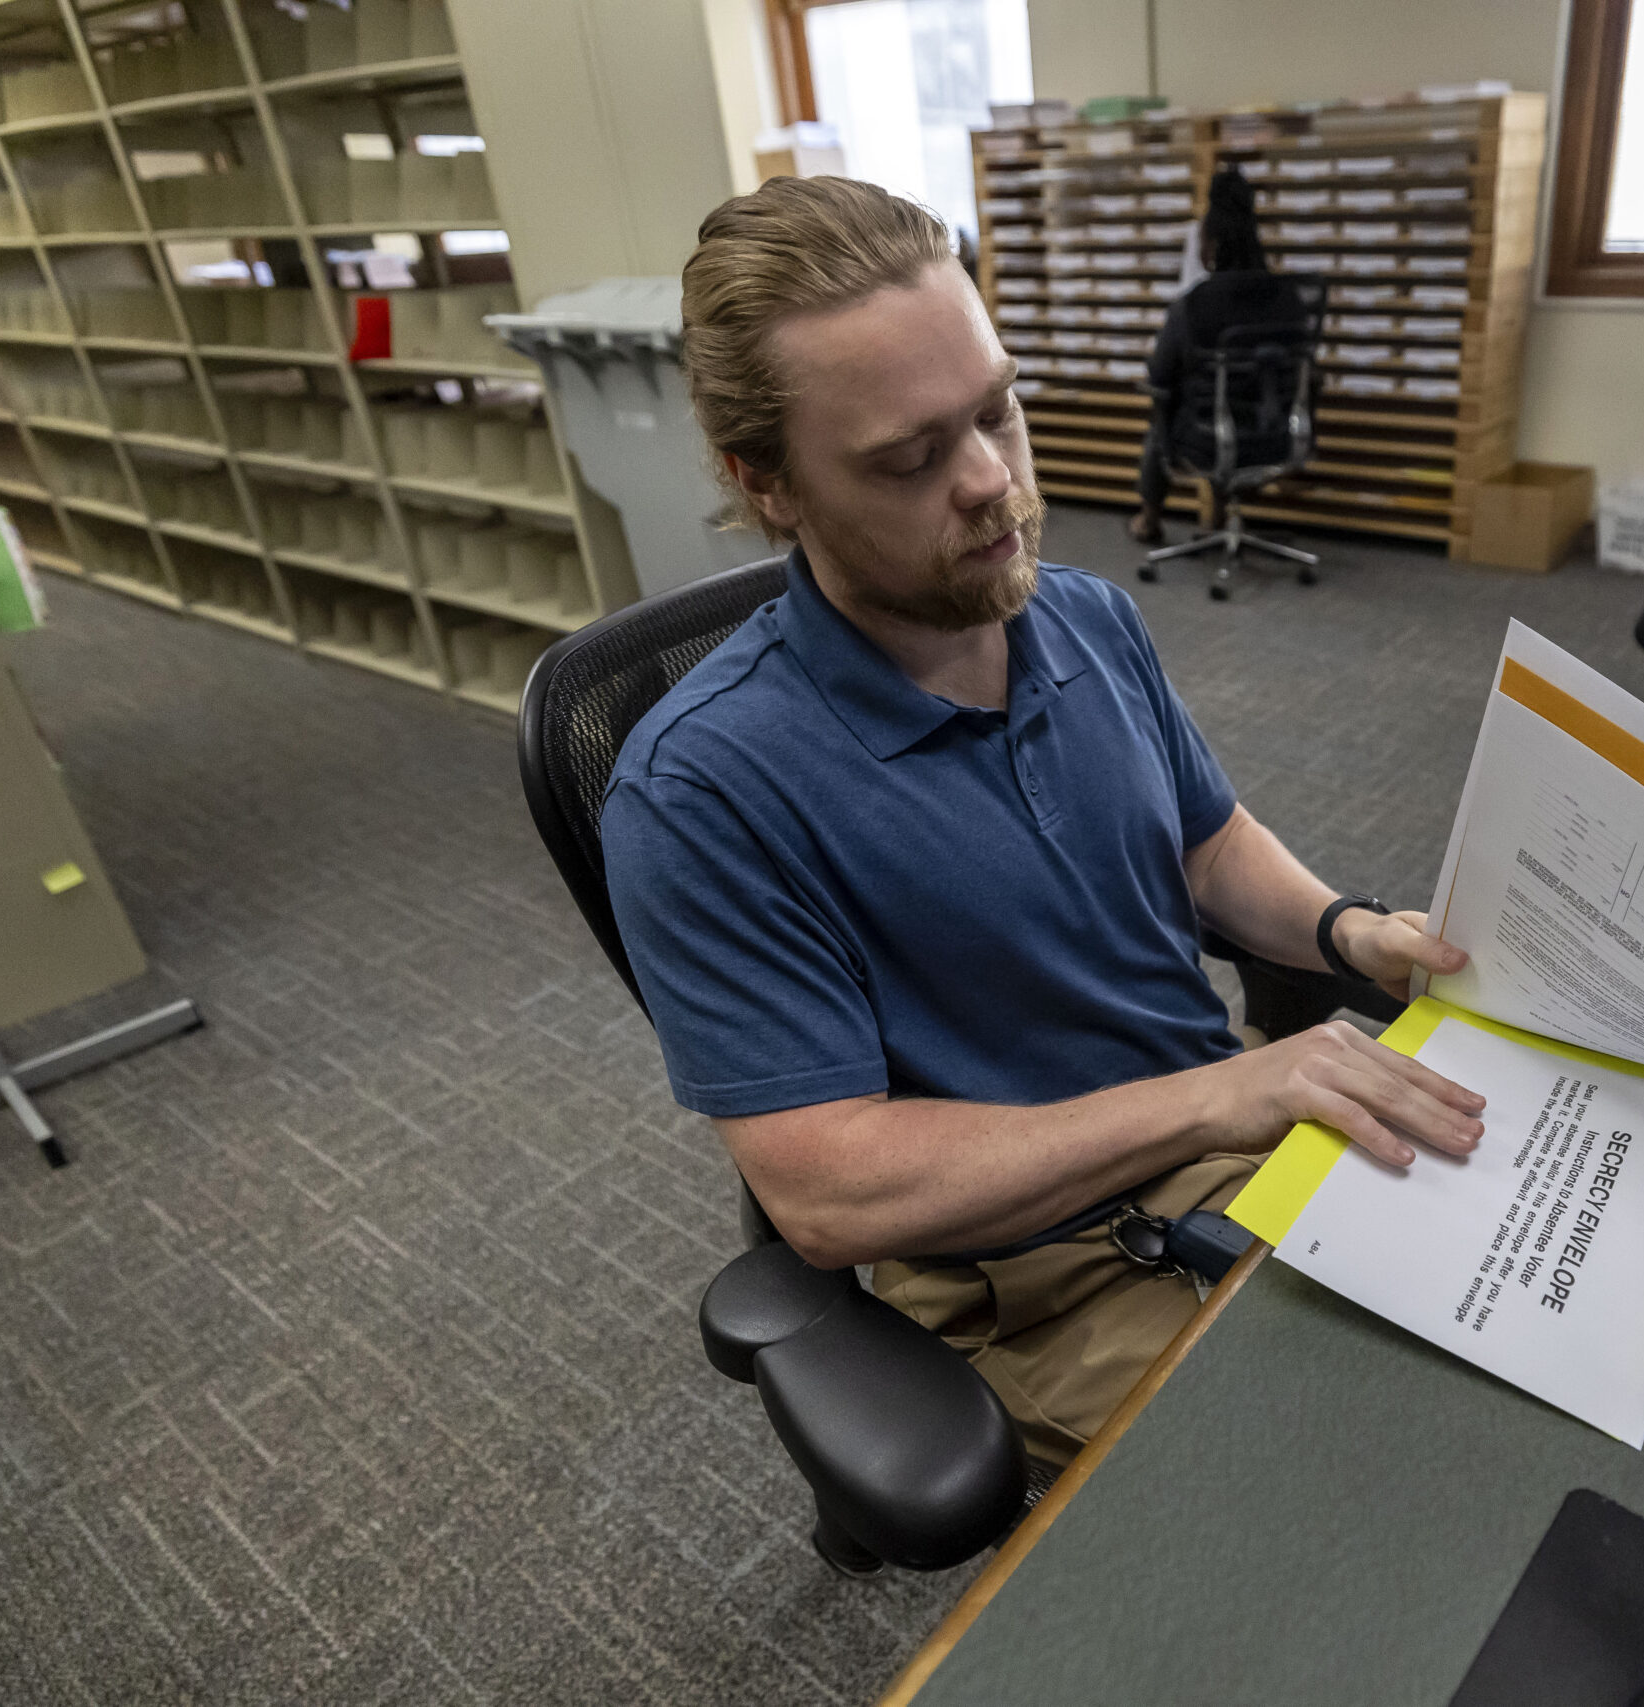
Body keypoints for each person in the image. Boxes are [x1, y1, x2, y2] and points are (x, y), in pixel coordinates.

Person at [600, 176, 1483, 1469]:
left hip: (1239, 1141)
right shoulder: (701, 791)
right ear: (766, 482)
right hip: (1040, 1273)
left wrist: (1349, 933)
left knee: (1579, 1287)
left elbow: (1203, 842)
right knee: (1394, 1474)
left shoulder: (1080, 614)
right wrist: (1208, 1098)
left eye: (997, 411)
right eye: (910, 456)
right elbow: (830, 1190)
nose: (990, 481)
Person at [1128, 169, 1312, 545]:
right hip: (1279, 432)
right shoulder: (1290, 298)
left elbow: (1160, 375)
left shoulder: (1194, 305)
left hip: (1206, 439)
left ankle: (1149, 518)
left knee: (1164, 403)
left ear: (1209, 243)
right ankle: (1221, 520)